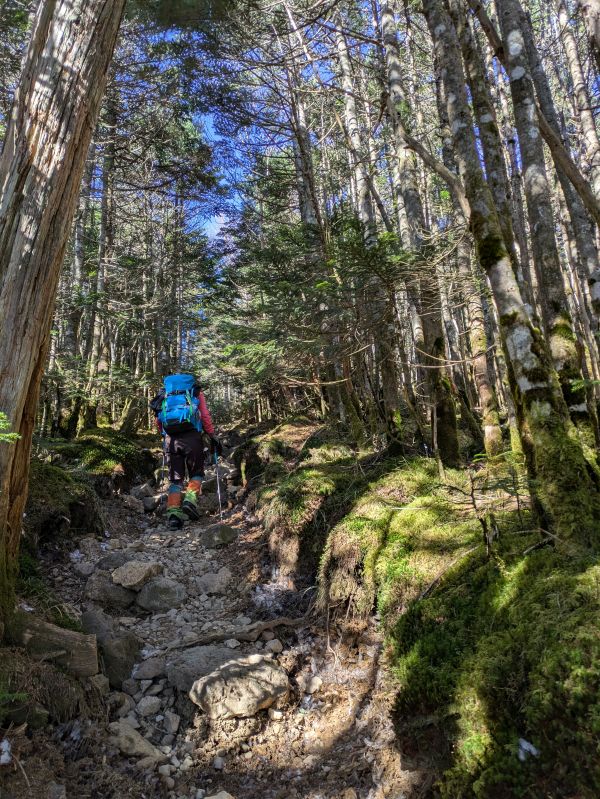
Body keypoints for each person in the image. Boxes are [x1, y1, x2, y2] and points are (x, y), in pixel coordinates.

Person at [150, 374, 222, 530]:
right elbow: (204, 416)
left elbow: (158, 419)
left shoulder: (165, 394)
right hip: (193, 438)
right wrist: (211, 434)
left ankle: (174, 515)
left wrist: (164, 435)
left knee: (175, 478)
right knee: (196, 471)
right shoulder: (195, 392)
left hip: (171, 440)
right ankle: (190, 501)